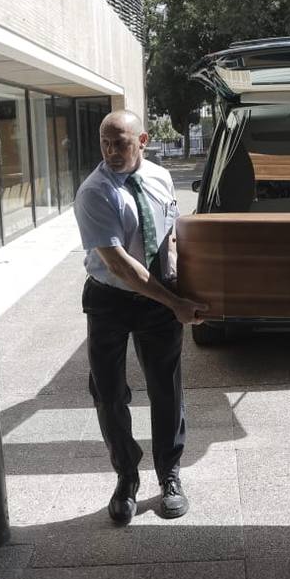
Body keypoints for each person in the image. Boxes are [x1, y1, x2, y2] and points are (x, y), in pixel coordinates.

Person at [74, 110, 208, 526]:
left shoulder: (161, 177)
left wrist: (186, 282)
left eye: (122, 143)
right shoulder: (94, 192)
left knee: (166, 389)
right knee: (109, 393)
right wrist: (175, 303)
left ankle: (169, 474)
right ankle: (126, 477)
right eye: (106, 143)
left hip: (158, 298)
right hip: (110, 300)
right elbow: (120, 266)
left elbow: (169, 232)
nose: (113, 152)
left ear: (144, 141)